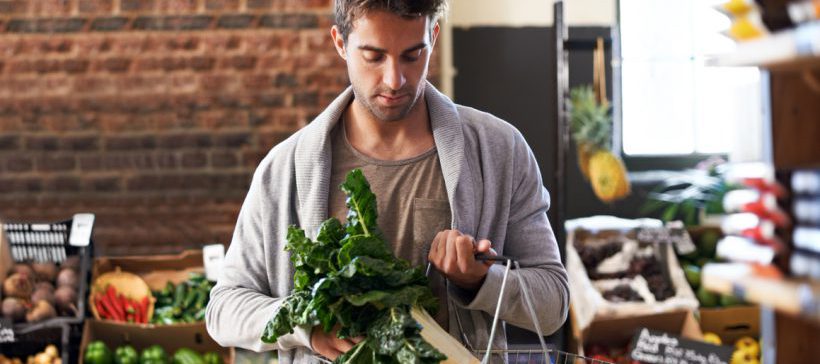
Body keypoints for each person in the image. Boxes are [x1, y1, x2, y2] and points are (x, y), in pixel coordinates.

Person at [205, 0, 569, 362]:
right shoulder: (284, 170)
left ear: (434, 37)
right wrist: (308, 327)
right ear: (340, 43)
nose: (394, 80)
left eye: (412, 55)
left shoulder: (499, 150)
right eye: (373, 56)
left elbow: (553, 303)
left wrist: (480, 281)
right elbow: (223, 310)